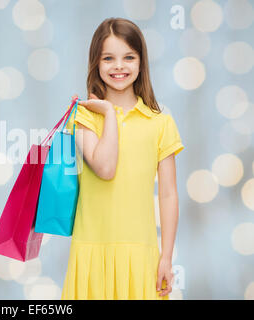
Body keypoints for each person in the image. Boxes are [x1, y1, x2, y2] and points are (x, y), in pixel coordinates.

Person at [61, 17, 184, 300]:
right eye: (108, 58)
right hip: (92, 251)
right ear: (96, 63)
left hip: (141, 255)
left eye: (129, 57)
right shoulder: (83, 116)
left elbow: (168, 194)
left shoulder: (160, 122)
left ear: (141, 63)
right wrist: (107, 114)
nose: (119, 66)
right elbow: (105, 167)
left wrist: (166, 257)